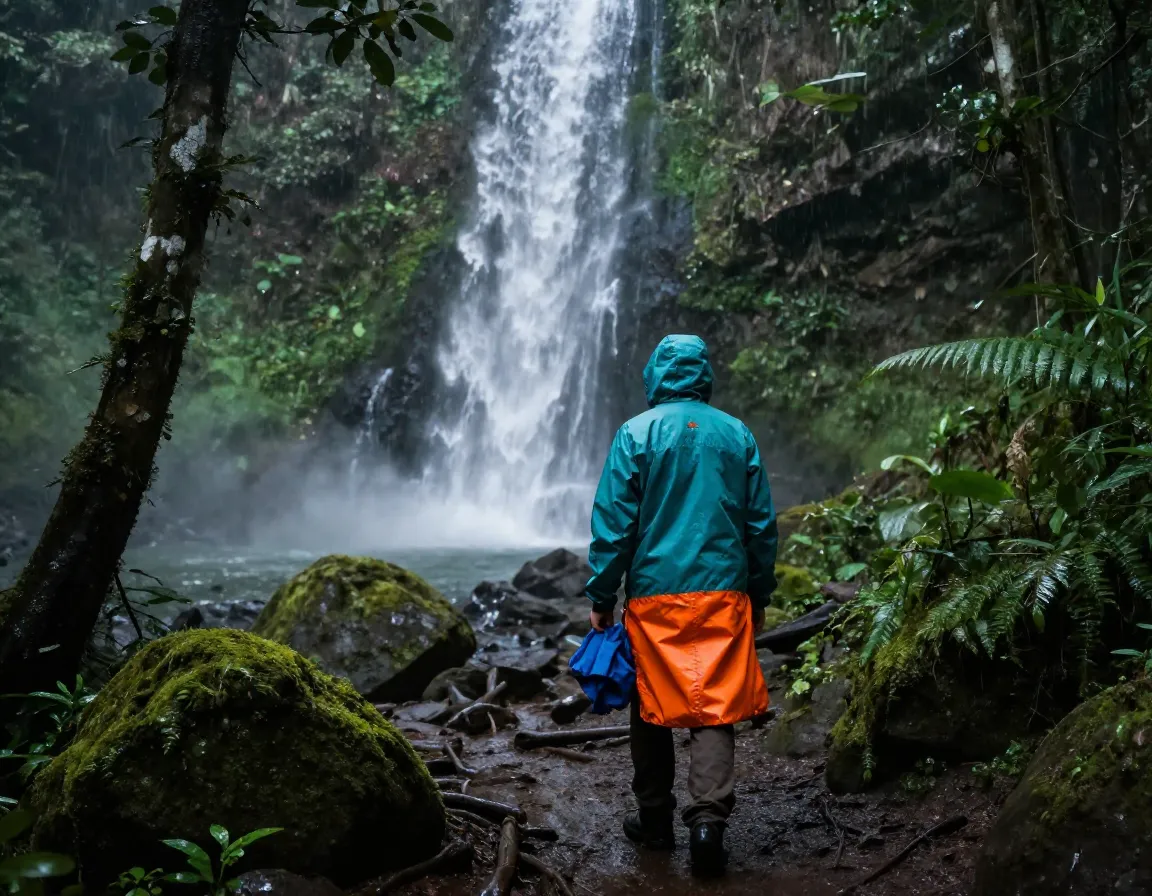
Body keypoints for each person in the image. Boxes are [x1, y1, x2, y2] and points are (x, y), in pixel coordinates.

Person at [585, 333, 778, 876]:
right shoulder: (736, 434)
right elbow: (760, 525)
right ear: (704, 375)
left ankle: (654, 820)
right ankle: (707, 824)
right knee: (714, 702)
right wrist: (759, 592)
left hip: (654, 594)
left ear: (655, 376)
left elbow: (614, 524)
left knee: (650, 702)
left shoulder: (636, 433)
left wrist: (602, 594)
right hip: (722, 591)